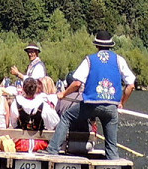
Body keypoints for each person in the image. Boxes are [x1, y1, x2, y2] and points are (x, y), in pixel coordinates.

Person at [48, 30, 135, 160]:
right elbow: (131, 86)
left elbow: (77, 83)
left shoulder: (90, 60)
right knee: (112, 146)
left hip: (91, 105)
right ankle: (113, 159)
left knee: (67, 117)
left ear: (96, 45)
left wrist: (63, 94)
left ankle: (52, 150)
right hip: (111, 106)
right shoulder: (119, 60)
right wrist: (122, 102)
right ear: (111, 45)